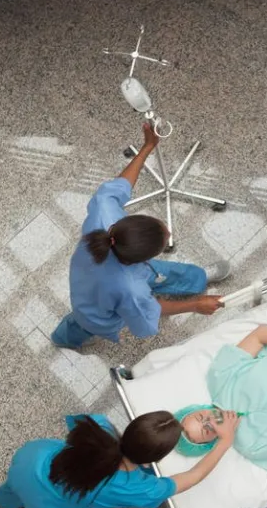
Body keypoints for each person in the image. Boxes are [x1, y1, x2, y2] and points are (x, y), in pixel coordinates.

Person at [51, 122, 231, 349]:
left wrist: (148, 147)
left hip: (87, 283)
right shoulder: (131, 290)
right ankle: (63, 341)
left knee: (163, 272)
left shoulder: (105, 217)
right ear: (139, 259)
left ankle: (198, 278)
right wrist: (195, 305)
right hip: (95, 311)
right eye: (164, 241)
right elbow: (150, 312)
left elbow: (119, 186)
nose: (169, 232)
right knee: (83, 323)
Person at [0, 410, 239, 508]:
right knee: (56, 504)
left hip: (28, 462)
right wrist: (225, 440)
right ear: (155, 459)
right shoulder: (141, 489)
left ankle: (2, 501)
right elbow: (195, 475)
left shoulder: (99, 424)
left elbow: (75, 421)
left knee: (16, 486)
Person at [172, 325, 267, 473]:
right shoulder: (252, 446)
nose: (211, 420)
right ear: (210, 443)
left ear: (198, 408)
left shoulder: (219, 377)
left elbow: (262, 334)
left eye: (201, 417)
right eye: (207, 430)